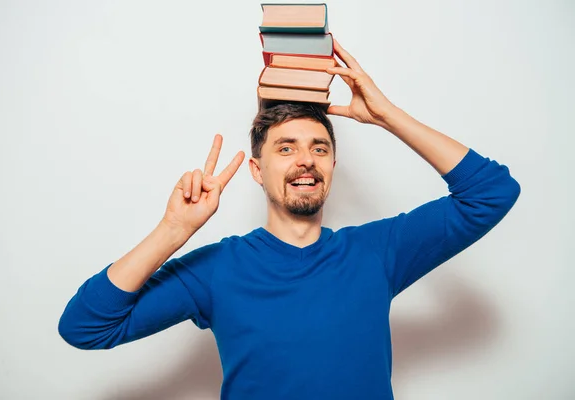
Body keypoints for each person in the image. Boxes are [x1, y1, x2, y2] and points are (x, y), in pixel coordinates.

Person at [58, 40, 521, 399]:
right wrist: (173, 230)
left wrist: (386, 115)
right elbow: (85, 327)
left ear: (332, 167)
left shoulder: (378, 252)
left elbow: (491, 193)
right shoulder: (217, 269)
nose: (306, 160)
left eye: (319, 148)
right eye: (286, 148)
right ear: (258, 171)